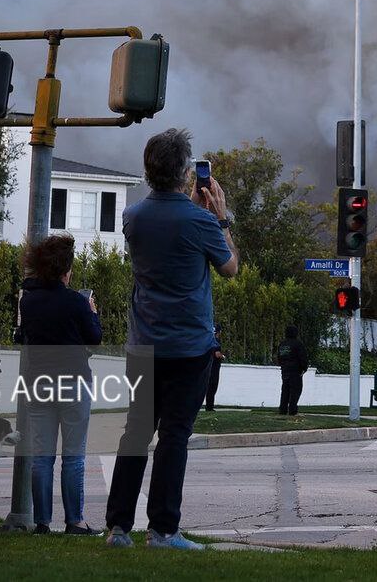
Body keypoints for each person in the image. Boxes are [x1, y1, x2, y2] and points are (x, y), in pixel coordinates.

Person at [106, 128, 239, 551]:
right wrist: (219, 216)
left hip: (142, 343)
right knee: (174, 436)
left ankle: (118, 528)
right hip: (188, 348)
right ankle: (163, 529)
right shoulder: (201, 221)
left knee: (134, 432)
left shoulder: (132, 217)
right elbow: (230, 268)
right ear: (186, 173)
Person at [19, 233, 103, 536]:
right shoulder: (76, 302)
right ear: (66, 270)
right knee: (73, 456)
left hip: (39, 381)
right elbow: (93, 337)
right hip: (73, 382)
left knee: (41, 457)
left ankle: (42, 521)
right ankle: (75, 521)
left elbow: (23, 336)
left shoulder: (29, 301)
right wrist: (92, 312)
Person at [276, 325, 308, 416]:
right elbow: (303, 357)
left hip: (285, 370)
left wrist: (283, 365)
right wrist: (304, 368)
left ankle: (283, 409)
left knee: (285, 390)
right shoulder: (298, 344)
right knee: (295, 391)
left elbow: (279, 357)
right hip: (295, 371)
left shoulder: (282, 344)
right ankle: (292, 410)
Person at [204, 325, 224, 412]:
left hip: (210, 366)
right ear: (219, 332)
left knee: (210, 387)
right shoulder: (216, 342)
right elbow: (217, 354)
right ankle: (209, 407)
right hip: (214, 367)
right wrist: (222, 356)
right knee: (213, 386)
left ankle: (209, 406)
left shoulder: (210, 341)